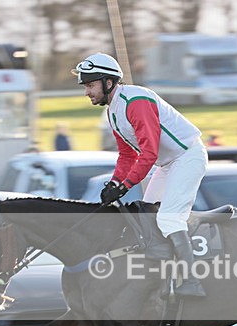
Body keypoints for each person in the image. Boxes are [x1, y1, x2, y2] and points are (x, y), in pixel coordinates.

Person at [73, 52, 208, 297]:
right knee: (146, 215)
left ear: (109, 82)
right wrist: (114, 183)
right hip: (169, 164)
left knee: (167, 219)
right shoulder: (112, 111)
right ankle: (162, 276)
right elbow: (127, 155)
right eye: (86, 86)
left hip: (188, 157)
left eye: (91, 85)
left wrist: (125, 186)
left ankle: (192, 282)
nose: (87, 92)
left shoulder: (135, 101)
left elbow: (148, 150)